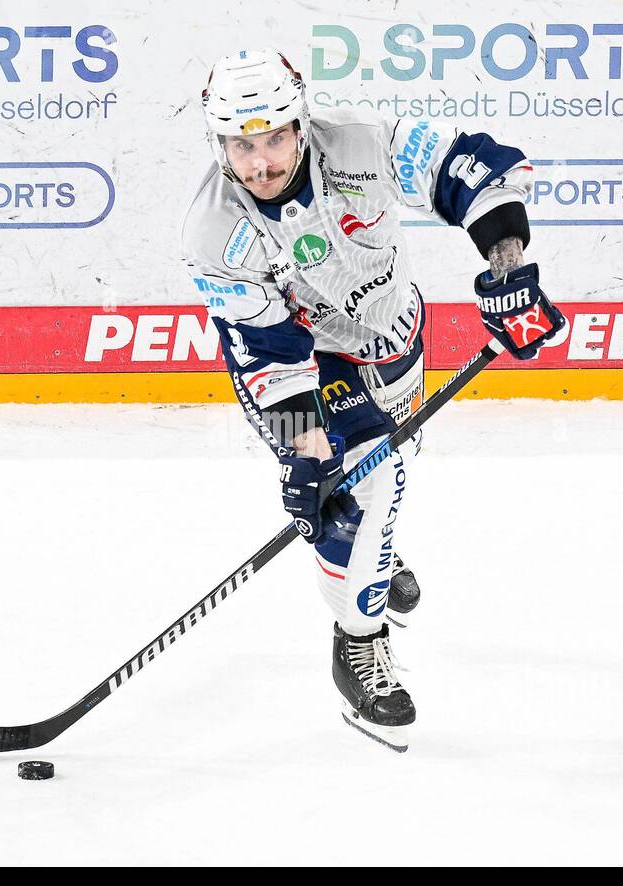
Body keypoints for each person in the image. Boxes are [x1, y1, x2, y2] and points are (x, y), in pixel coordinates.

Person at [181, 49, 560, 752]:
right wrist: (303, 453)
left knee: (382, 478)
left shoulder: (360, 143)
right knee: (357, 489)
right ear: (218, 143)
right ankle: (359, 647)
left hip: (393, 339)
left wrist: (509, 273)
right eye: (241, 143)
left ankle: (373, 551)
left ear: (300, 123)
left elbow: (475, 167)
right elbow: (268, 353)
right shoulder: (213, 231)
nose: (260, 162)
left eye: (273, 138)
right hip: (304, 360)